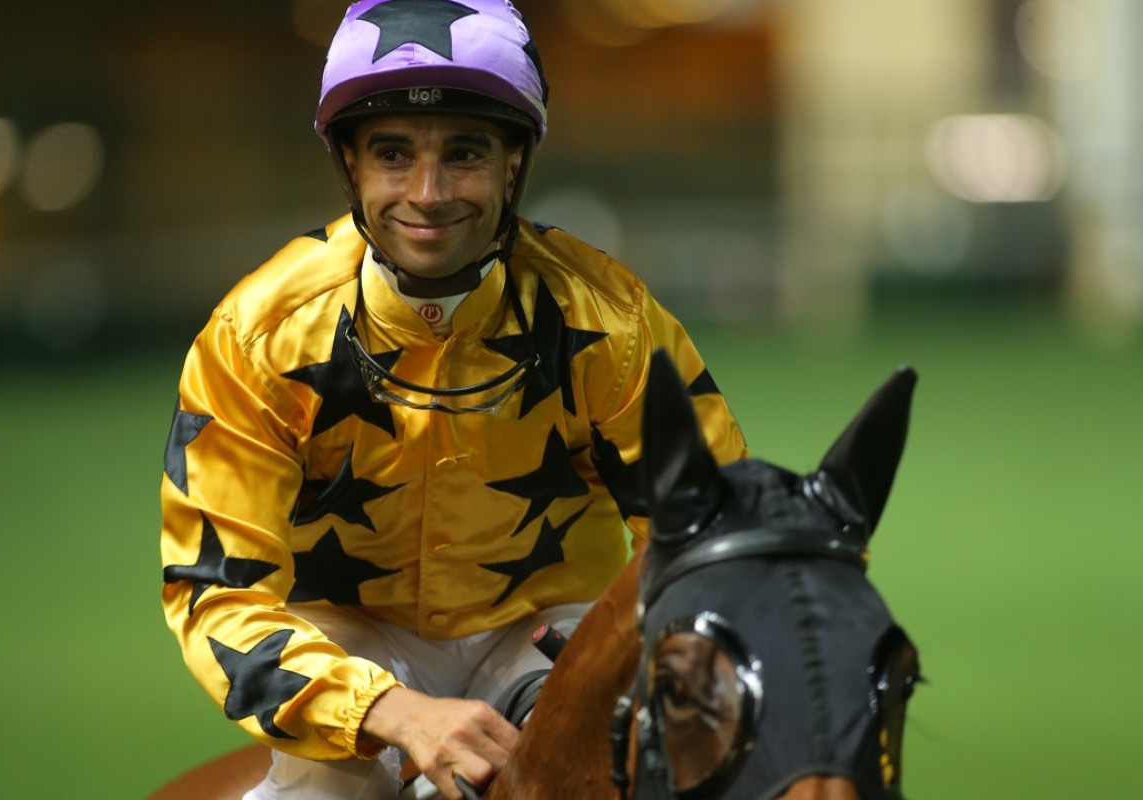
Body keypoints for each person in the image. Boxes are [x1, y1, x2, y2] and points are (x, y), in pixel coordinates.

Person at [159, 1, 748, 798]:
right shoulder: (253, 338)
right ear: (351, 166)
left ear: (514, 164)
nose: (428, 194)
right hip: (343, 648)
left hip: (548, 637)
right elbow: (215, 597)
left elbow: (719, 539)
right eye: (393, 154)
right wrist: (392, 711)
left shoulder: (614, 324)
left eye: (464, 153)